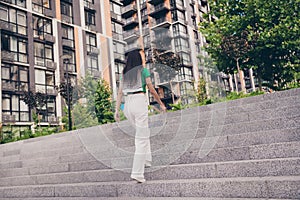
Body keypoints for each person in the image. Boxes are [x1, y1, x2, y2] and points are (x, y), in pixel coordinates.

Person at [114, 49, 166, 183]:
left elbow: (120, 93)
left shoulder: (124, 74)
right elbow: (151, 89)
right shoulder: (143, 71)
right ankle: (137, 173)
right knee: (141, 138)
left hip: (127, 105)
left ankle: (147, 159)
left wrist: (117, 110)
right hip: (139, 101)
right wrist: (161, 103)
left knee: (142, 132)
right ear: (138, 59)